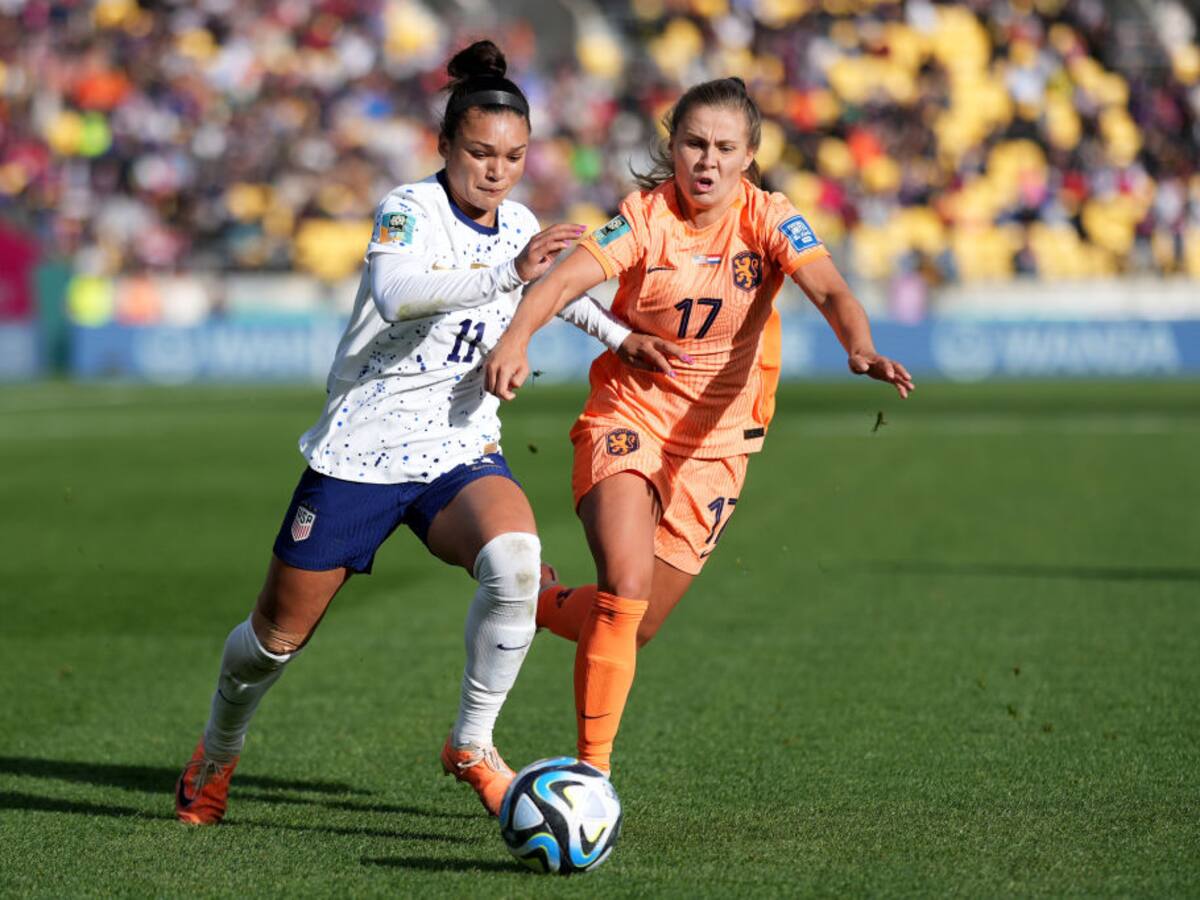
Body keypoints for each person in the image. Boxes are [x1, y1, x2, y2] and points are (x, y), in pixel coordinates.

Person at [174, 40, 680, 824]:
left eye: (513, 156)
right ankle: (218, 747)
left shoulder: (517, 220)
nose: (497, 170)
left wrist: (619, 339)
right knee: (273, 641)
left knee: (516, 562)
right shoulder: (409, 210)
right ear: (445, 146)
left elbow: (556, 290)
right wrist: (510, 272)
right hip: (361, 453)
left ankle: (472, 746)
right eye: (479, 152)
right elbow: (398, 291)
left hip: (458, 451)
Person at [484, 77, 914, 775]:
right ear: (672, 148)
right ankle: (591, 775)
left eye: (723, 147)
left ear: (749, 156)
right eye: (692, 144)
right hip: (631, 415)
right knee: (623, 587)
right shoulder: (644, 218)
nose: (706, 161)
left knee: (639, 622)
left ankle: (538, 600)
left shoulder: (770, 217)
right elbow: (562, 281)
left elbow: (830, 288)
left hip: (718, 445)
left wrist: (857, 347)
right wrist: (515, 340)